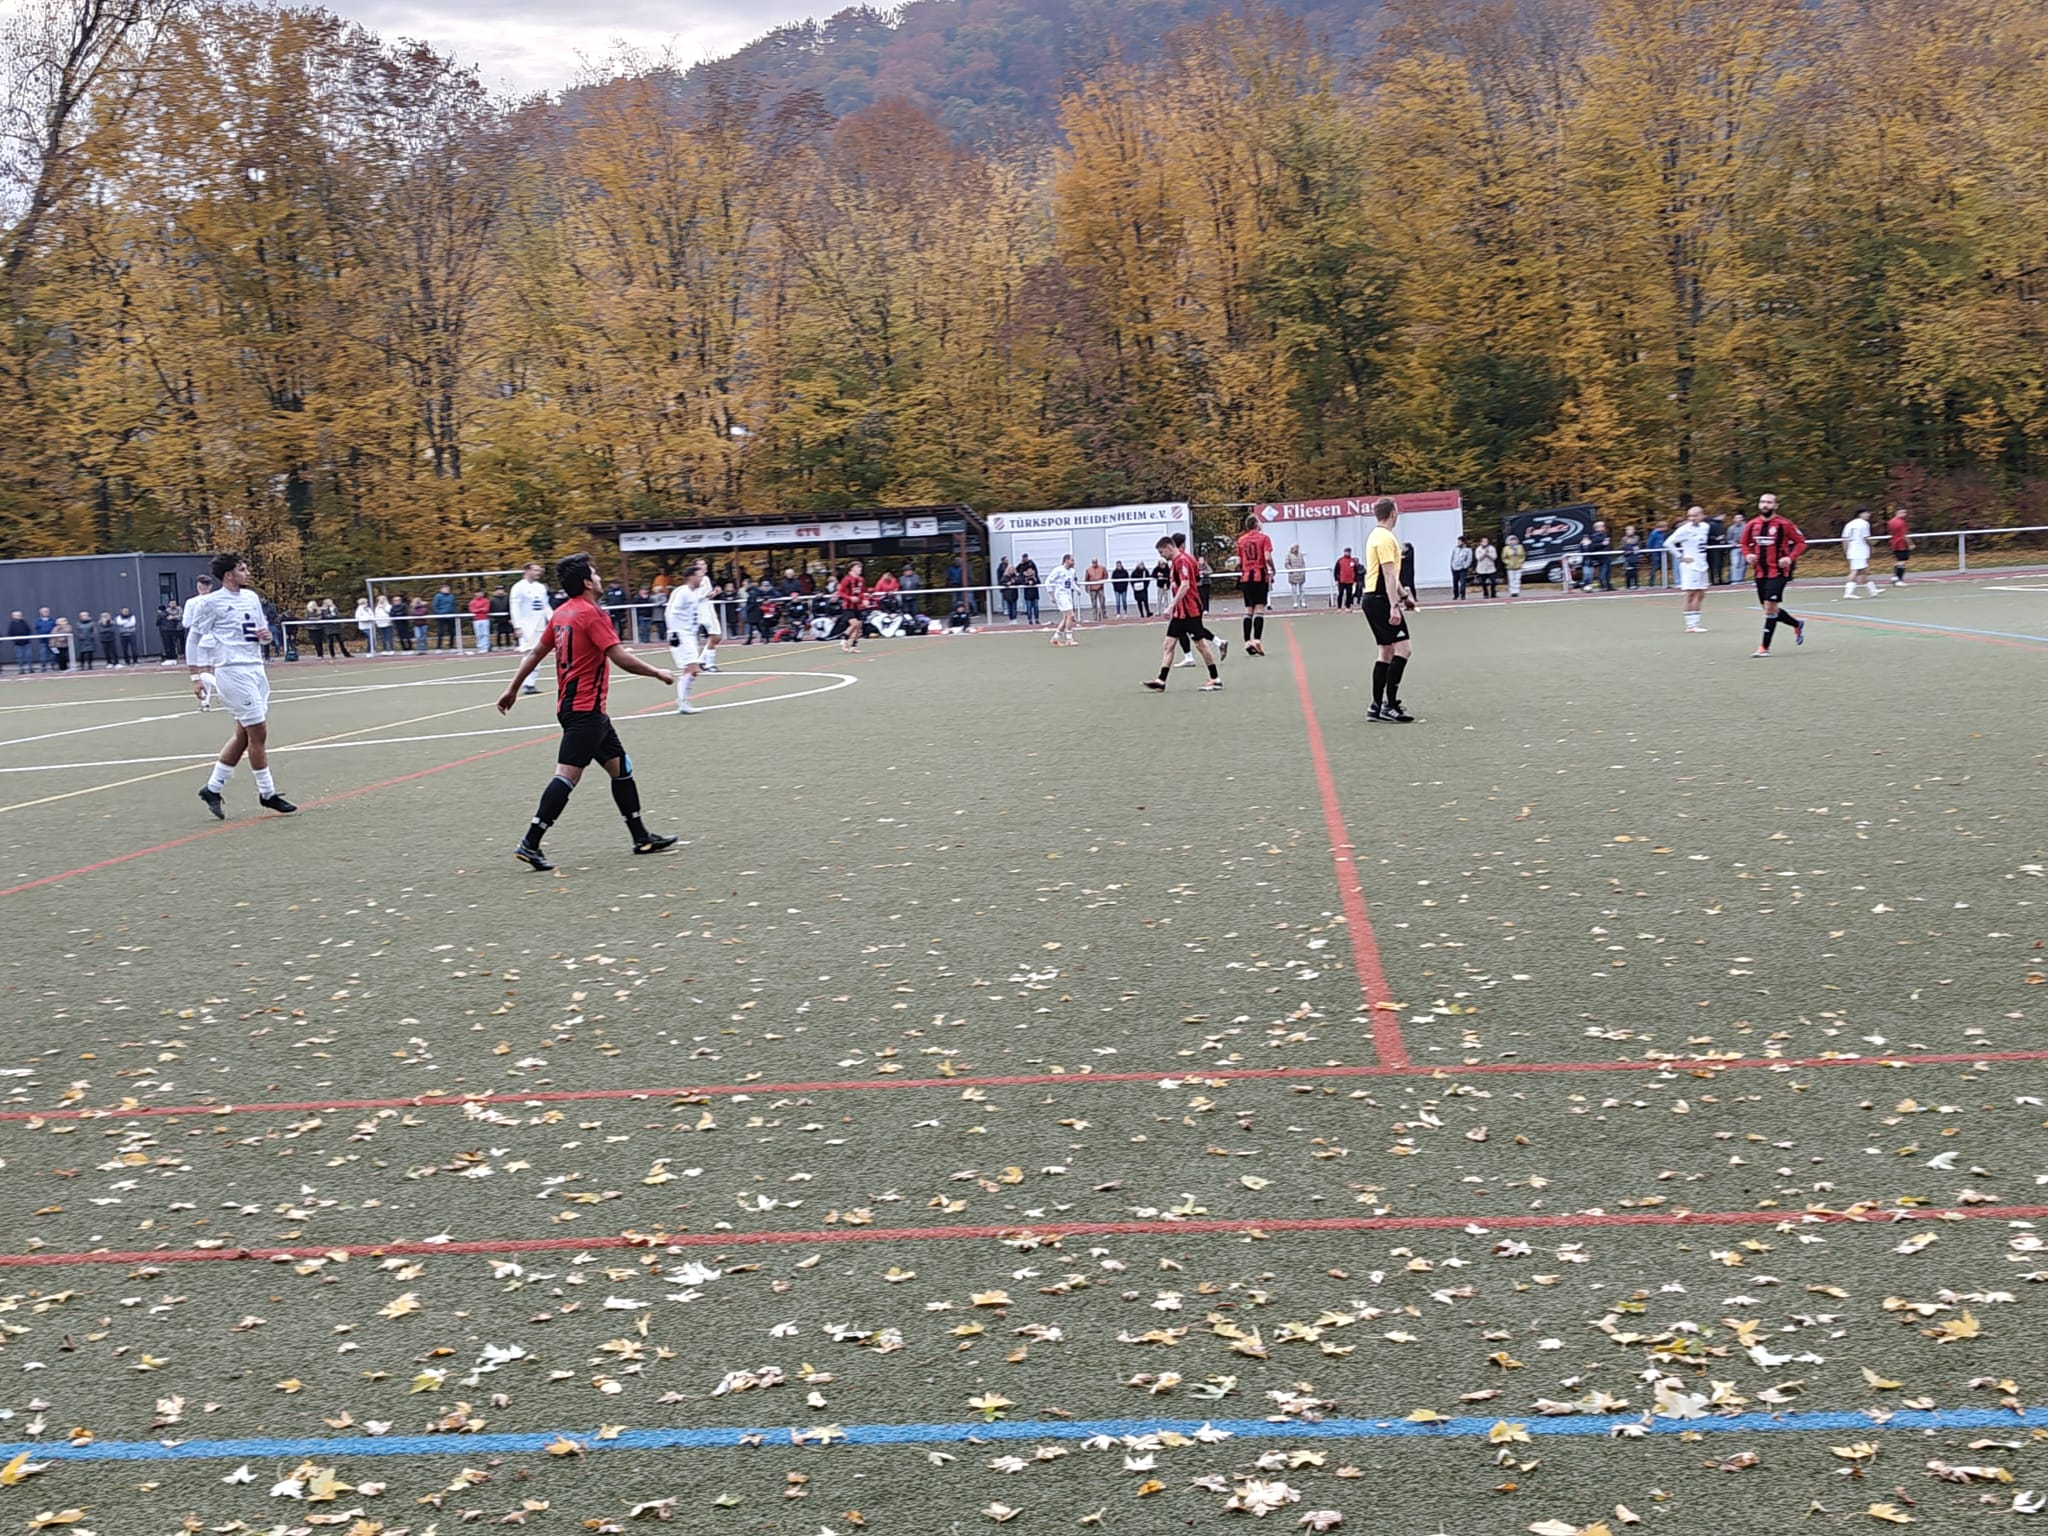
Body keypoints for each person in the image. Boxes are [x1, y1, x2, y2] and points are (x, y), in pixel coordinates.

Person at [498, 552, 675, 871]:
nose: (600, 578)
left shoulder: (562, 613)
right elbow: (620, 657)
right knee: (567, 775)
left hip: (578, 708)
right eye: (596, 574)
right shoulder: (591, 614)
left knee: (621, 768)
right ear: (587, 583)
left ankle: (641, 837)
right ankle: (530, 842)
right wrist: (657, 672)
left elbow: (536, 653)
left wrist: (512, 689)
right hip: (585, 710)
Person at [190, 552, 296, 819]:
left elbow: (261, 633)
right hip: (232, 670)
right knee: (258, 733)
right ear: (229, 575)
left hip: (255, 668)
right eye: (242, 569)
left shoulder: (250, 598)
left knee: (243, 735)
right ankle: (267, 793)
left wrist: (266, 637)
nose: (247, 573)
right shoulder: (211, 603)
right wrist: (196, 676)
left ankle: (212, 788)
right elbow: (194, 638)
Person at [1143, 533, 1221, 692]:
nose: (1161, 556)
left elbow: (1185, 585)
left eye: (1161, 552)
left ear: (1168, 547)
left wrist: (1170, 606)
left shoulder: (1182, 561)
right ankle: (1161, 680)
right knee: (1168, 644)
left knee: (1200, 644)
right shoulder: (1175, 563)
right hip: (1180, 613)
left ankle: (1215, 679)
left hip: (1190, 610)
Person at [1361, 499, 1416, 723]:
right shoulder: (1385, 538)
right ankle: (1390, 705)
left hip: (1372, 598)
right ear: (1393, 513)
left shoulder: (1375, 535)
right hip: (1381, 599)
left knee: (1385, 652)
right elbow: (1388, 574)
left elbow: (1392, 575)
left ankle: (1375, 706)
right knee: (1404, 649)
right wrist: (1394, 605)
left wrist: (1404, 597)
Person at [1740, 493, 1808, 657]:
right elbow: (1744, 543)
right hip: (1760, 572)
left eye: (1769, 502)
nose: (1765, 505)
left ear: (1776, 506)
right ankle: (1796, 624)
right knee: (1769, 609)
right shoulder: (1752, 524)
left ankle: (1764, 647)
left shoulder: (1784, 524)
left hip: (1778, 572)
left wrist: (1789, 558)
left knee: (1770, 608)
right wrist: (1748, 555)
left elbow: (1800, 542)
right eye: (1762, 502)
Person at [665, 558, 709, 714]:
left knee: (690, 669)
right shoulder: (682, 592)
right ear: (691, 577)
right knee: (692, 668)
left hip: (690, 635)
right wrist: (673, 632)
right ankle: (683, 703)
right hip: (681, 635)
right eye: (699, 576)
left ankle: (683, 701)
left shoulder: (693, 593)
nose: (701, 579)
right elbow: (671, 612)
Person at [508, 562, 554, 694]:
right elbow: (515, 607)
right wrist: (517, 626)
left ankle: (530, 684)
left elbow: (545, 606)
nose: (538, 573)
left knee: (539, 654)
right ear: (527, 571)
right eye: (535, 570)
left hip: (540, 626)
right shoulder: (518, 587)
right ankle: (523, 683)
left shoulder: (540, 587)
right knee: (529, 653)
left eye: (539, 570)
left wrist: (553, 620)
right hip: (527, 627)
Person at [1234, 513, 1274, 654]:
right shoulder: (1264, 538)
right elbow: (1267, 557)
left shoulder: (1241, 540)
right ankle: (1257, 641)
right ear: (1256, 524)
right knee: (1259, 609)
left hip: (1246, 577)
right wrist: (1272, 569)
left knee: (1248, 610)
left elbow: (1238, 561)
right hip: (1259, 575)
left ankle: (1247, 642)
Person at [1669, 505, 1713, 633]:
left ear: (1702, 516)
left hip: (1702, 565)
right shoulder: (1684, 529)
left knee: (1701, 594)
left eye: (1695, 515)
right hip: (1690, 566)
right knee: (1691, 594)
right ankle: (1691, 625)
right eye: (1690, 516)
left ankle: (1696, 623)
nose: (1692, 518)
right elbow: (1668, 543)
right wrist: (1681, 557)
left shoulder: (1705, 527)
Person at [181, 576, 221, 709]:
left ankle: (219, 687)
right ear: (210, 587)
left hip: (199, 639)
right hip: (215, 639)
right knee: (210, 669)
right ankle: (205, 701)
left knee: (202, 671)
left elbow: (186, 623)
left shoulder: (192, 602)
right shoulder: (217, 600)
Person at [1842, 508, 1880, 598]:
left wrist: (1846, 550)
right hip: (1860, 549)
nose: (1868, 515)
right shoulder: (1864, 523)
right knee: (1855, 571)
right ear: (1860, 514)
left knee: (1864, 570)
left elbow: (1845, 539)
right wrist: (1872, 546)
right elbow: (1866, 538)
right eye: (1866, 513)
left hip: (1853, 548)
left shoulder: (1849, 524)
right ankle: (1848, 593)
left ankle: (1872, 590)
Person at [1046, 552, 1082, 646]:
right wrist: (1051, 595)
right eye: (1072, 560)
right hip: (1061, 595)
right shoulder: (1058, 570)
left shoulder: (1072, 571)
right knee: (1071, 615)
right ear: (1066, 560)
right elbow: (1048, 582)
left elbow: (1071, 582)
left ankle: (1055, 638)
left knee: (1066, 618)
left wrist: (1077, 589)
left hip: (1068, 595)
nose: (1073, 562)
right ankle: (1069, 639)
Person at [836, 561, 867, 652]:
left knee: (858, 626)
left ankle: (853, 646)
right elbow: (840, 592)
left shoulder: (861, 579)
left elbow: (862, 592)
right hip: (848, 606)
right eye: (858, 567)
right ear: (852, 568)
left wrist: (864, 599)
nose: (860, 569)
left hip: (858, 606)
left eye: (860, 567)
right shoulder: (847, 579)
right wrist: (850, 598)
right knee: (855, 623)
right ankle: (843, 638)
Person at [1887, 506, 1911, 585]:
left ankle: (1895, 577)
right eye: (1902, 512)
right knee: (1902, 561)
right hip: (1901, 544)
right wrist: (1910, 543)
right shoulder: (1901, 522)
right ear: (1897, 513)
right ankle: (1899, 580)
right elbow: (1904, 535)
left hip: (1894, 543)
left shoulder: (1891, 521)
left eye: (1905, 512)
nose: (1905, 514)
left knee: (1898, 560)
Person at [1017, 557, 1041, 625]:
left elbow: (1038, 582)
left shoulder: (1035, 576)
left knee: (1036, 608)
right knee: (1029, 608)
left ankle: (1037, 619)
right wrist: (1027, 582)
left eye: (1031, 570)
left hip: (1035, 594)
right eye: (1029, 570)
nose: (1030, 571)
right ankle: (1030, 620)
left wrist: (1034, 580)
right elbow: (1021, 581)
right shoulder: (1024, 577)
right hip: (1028, 595)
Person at [1084, 558, 1108, 623]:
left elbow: (1106, 576)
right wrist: (1086, 587)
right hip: (1092, 589)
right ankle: (1095, 616)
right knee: (1094, 603)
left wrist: (1102, 582)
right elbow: (1086, 579)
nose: (1094, 563)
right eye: (1093, 562)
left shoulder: (1102, 568)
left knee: (1102, 602)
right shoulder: (1088, 570)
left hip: (1100, 588)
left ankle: (1104, 615)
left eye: (1095, 562)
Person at [1727, 513, 1749, 585]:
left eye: (1740, 518)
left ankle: (1741, 579)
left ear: (1742, 519)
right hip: (1735, 548)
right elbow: (1729, 539)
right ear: (1734, 520)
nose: (1738, 520)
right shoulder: (1731, 528)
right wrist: (1732, 543)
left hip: (1744, 547)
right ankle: (1734, 579)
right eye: (1736, 518)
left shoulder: (1746, 527)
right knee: (1735, 563)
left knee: (1742, 564)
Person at [1644, 521, 1667, 588]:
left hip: (1661, 552)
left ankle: (1664, 583)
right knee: (1654, 567)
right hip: (1655, 553)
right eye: (1665, 527)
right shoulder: (1654, 533)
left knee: (1663, 567)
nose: (1666, 529)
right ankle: (1651, 583)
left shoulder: (1662, 533)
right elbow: (1649, 543)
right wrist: (1649, 552)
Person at [1449, 535, 1472, 600]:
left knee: (1462, 582)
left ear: (1463, 542)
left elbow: (1469, 559)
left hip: (1462, 569)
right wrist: (1452, 566)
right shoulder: (1455, 549)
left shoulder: (1467, 550)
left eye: (1460, 541)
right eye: (1458, 541)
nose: (1458, 543)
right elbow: (1452, 558)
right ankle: (1455, 595)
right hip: (1455, 568)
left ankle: (1462, 594)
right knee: (1455, 582)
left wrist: (1464, 566)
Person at [1502, 534, 1525, 599]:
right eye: (1511, 540)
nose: (1513, 541)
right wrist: (1508, 562)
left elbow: (1523, 555)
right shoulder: (1506, 548)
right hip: (1510, 567)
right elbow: (1503, 557)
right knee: (1511, 579)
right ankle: (1512, 592)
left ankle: (1516, 591)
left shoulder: (1520, 547)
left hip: (1518, 566)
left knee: (1517, 579)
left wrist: (1520, 562)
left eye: (1514, 540)